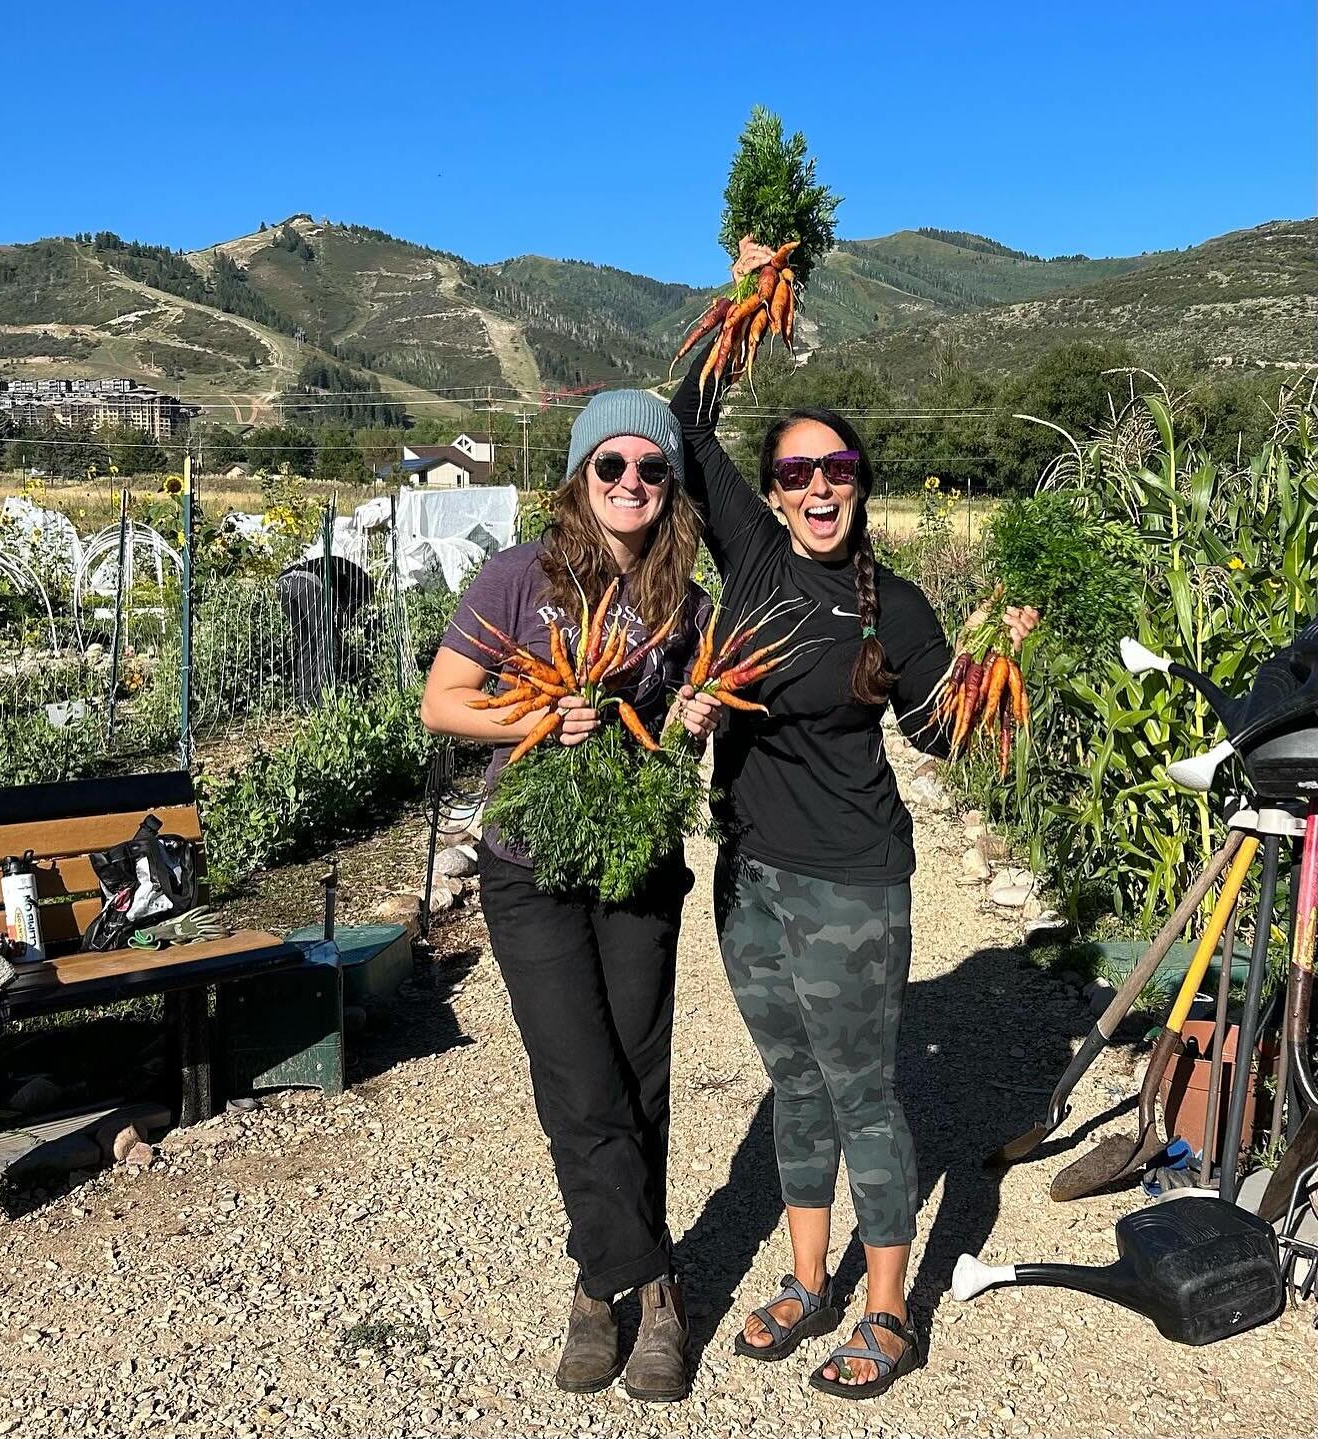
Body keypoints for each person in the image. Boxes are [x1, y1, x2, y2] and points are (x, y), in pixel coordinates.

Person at [669, 236, 1038, 1399]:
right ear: (771, 491)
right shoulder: (755, 556)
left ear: (861, 482)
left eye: (836, 469)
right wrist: (750, 290)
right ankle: (808, 1275)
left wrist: (985, 668)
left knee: (864, 1088)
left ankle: (889, 1309)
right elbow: (685, 411)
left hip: (852, 878)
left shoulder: (904, 603)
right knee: (794, 1080)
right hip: (751, 877)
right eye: (794, 473)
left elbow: (936, 735)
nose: (815, 487)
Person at [420, 390, 721, 1403]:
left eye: (650, 468)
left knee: (637, 1074)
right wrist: (537, 715)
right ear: (580, 474)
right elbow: (442, 701)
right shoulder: (518, 576)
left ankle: (602, 1283)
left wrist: (688, 718)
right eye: (611, 466)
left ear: (669, 484)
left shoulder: (688, 598)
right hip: (529, 859)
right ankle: (649, 1282)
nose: (631, 483)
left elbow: (687, 726)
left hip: (635, 854)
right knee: (577, 1078)